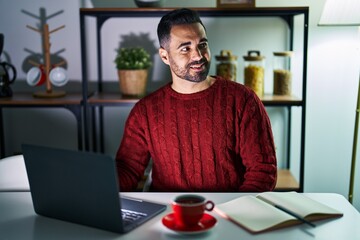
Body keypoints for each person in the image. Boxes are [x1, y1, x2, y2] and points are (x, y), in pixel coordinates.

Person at [116, 8, 277, 192]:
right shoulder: (145, 111)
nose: (198, 56)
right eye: (186, 48)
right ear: (164, 56)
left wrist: (233, 213)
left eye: (202, 45)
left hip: (227, 213)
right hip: (168, 214)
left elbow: (263, 171)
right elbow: (127, 169)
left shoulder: (243, 100)